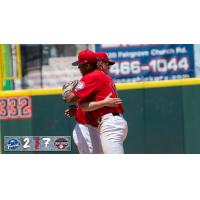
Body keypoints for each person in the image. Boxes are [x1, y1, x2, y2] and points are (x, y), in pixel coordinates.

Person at [65, 50, 128, 154]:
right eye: (107, 63)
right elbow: (85, 106)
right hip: (99, 125)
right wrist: (77, 110)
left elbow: (69, 98)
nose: (108, 66)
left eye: (80, 66)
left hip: (107, 124)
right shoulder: (101, 78)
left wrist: (71, 93)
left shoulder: (93, 77)